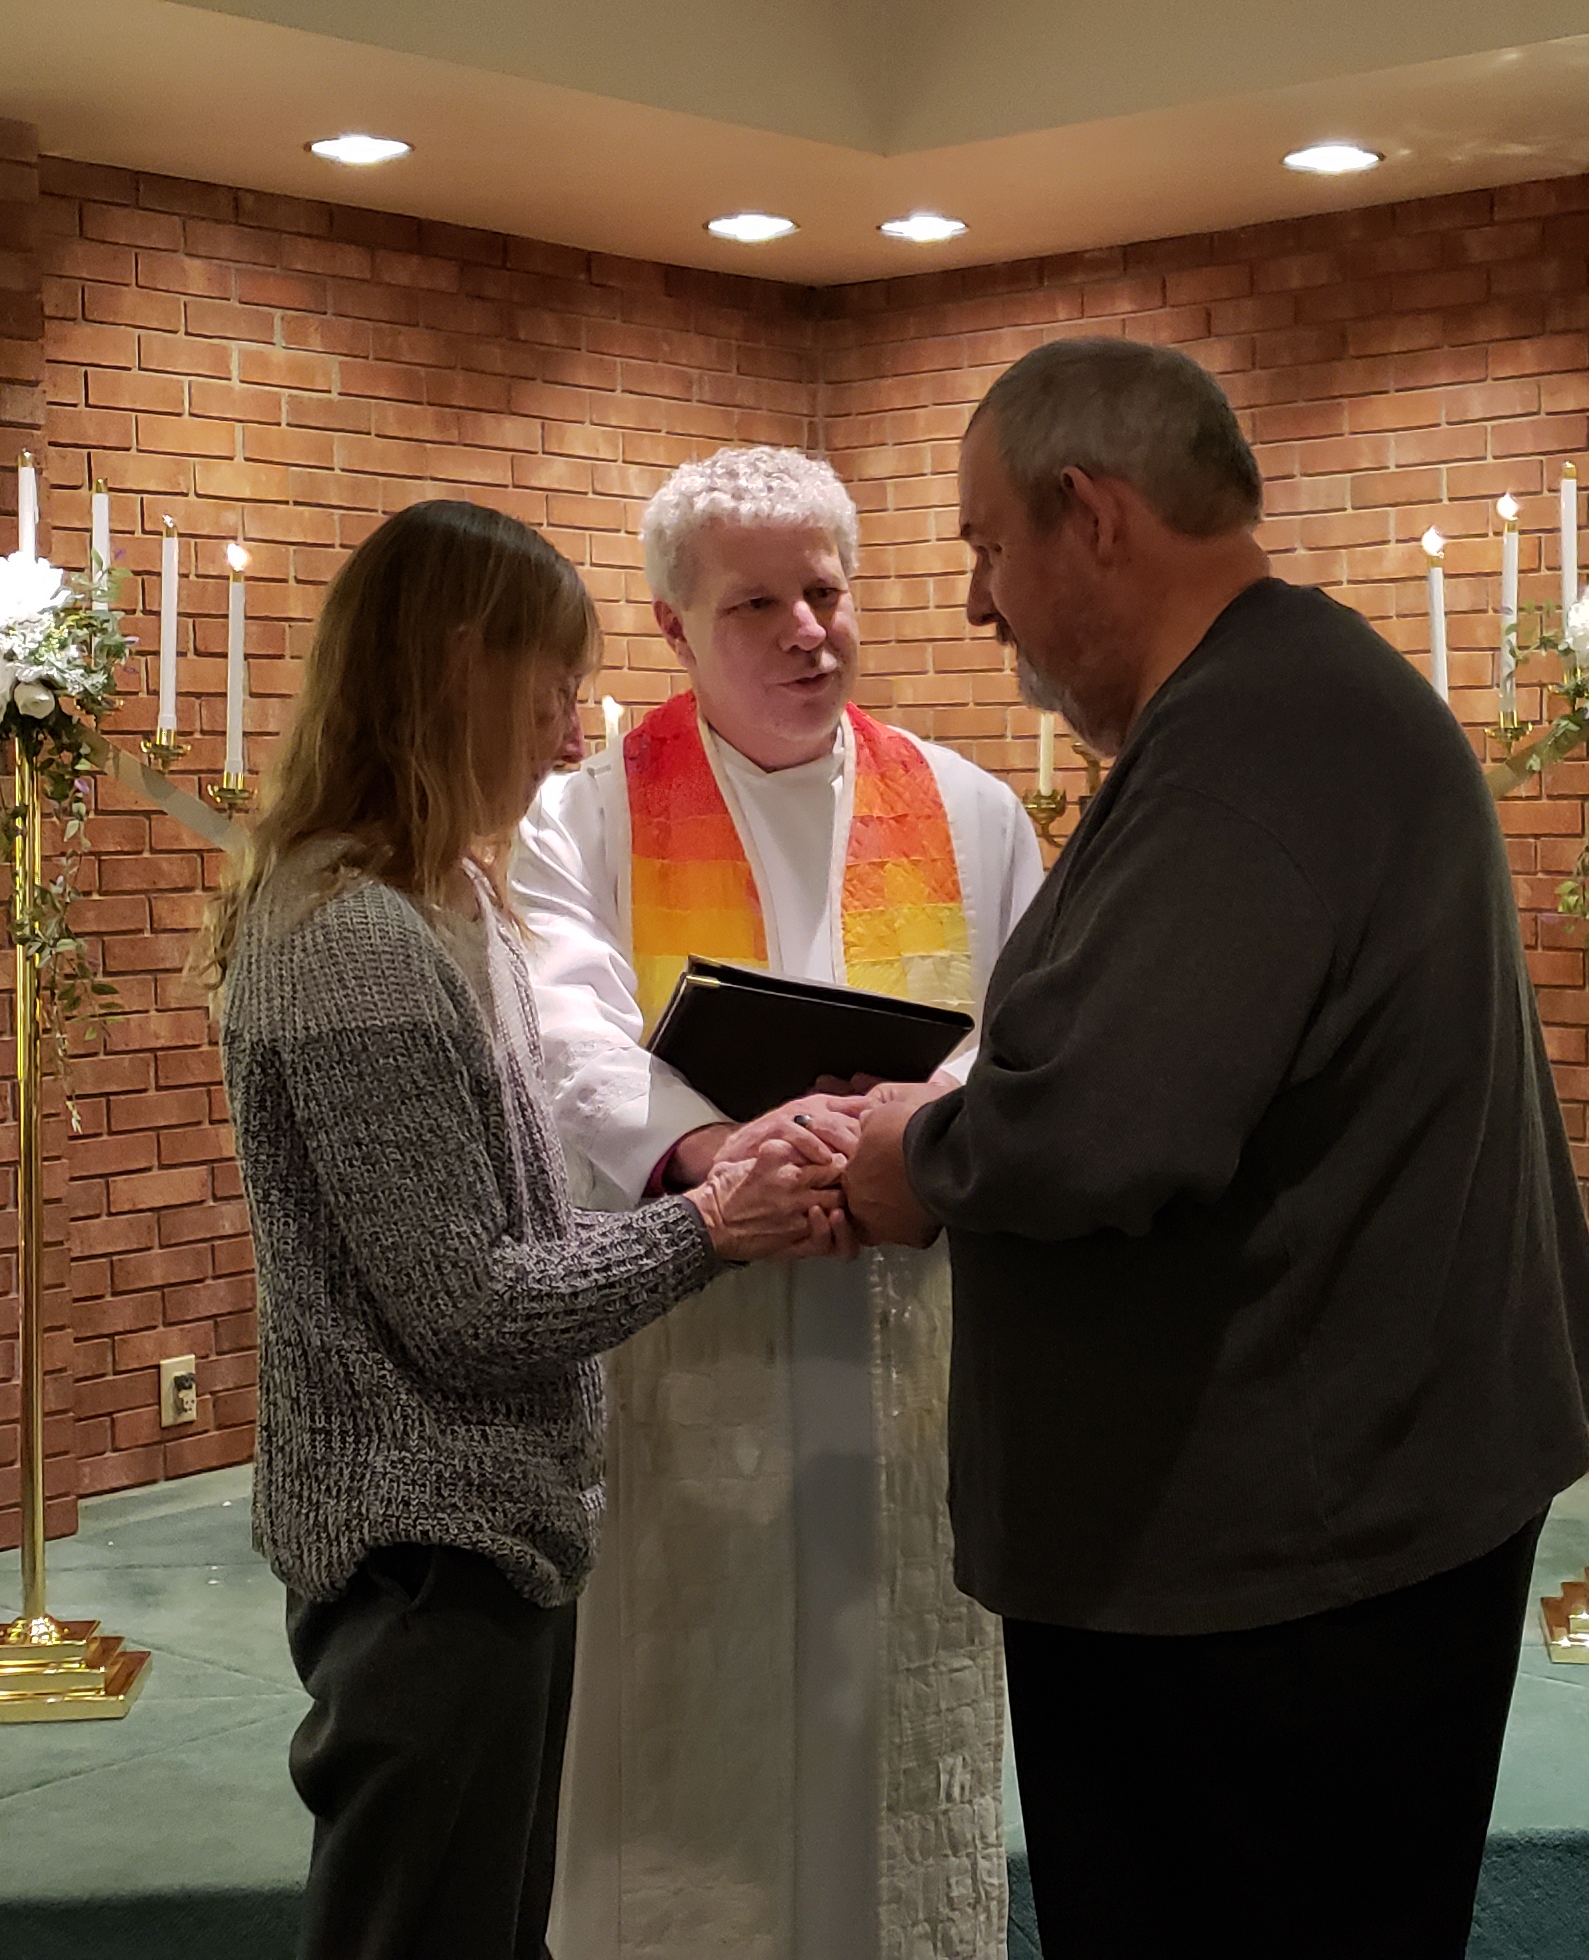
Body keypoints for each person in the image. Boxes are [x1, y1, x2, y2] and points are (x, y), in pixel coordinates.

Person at [836, 338, 1589, 1954]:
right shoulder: (1294, 698)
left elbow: (1112, 1123)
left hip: (1268, 1580)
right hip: (1320, 1528)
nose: (979, 601)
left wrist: (914, 1153)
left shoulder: (1248, 746)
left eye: (988, 543)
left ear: (1093, 516)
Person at [200, 497, 851, 1960]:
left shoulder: (454, 902)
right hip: (417, 1563)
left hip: (496, 1535)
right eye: (554, 688)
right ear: (457, 669)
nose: (573, 737)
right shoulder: (350, 936)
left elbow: (525, 1224)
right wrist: (714, 1224)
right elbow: (468, 1308)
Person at [512, 447, 1039, 1959]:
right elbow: (567, 1029)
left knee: (892, 1697)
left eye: (826, 589)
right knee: (698, 1709)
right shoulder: (589, 817)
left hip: (904, 1326)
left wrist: (918, 1134)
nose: (811, 630)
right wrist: (707, 1159)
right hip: (701, 1324)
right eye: (757, 604)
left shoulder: (968, 807)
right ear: (673, 631)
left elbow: (1036, 1031)